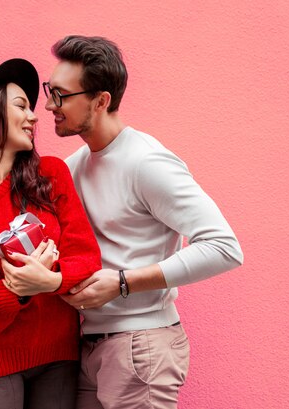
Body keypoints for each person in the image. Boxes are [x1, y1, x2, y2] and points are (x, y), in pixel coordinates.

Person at [42, 35, 245, 409]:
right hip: (88, 347)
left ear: (101, 101)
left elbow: (224, 248)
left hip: (140, 344)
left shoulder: (146, 162)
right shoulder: (73, 167)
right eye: (49, 92)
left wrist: (122, 282)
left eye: (61, 96)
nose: (50, 105)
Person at [0, 58, 101, 409]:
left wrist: (47, 280)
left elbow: (85, 257)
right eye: (21, 106)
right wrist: (13, 289)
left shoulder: (50, 175)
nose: (35, 116)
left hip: (57, 352)